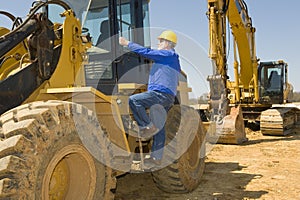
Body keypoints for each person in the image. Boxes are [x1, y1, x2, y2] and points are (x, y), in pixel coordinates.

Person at [119, 30, 181, 168]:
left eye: (161, 41)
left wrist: (127, 43)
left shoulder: (167, 54)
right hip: (167, 96)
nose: (158, 43)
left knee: (134, 100)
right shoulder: (170, 59)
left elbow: (146, 52)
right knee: (160, 128)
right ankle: (156, 158)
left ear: (168, 44)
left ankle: (147, 126)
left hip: (161, 94)